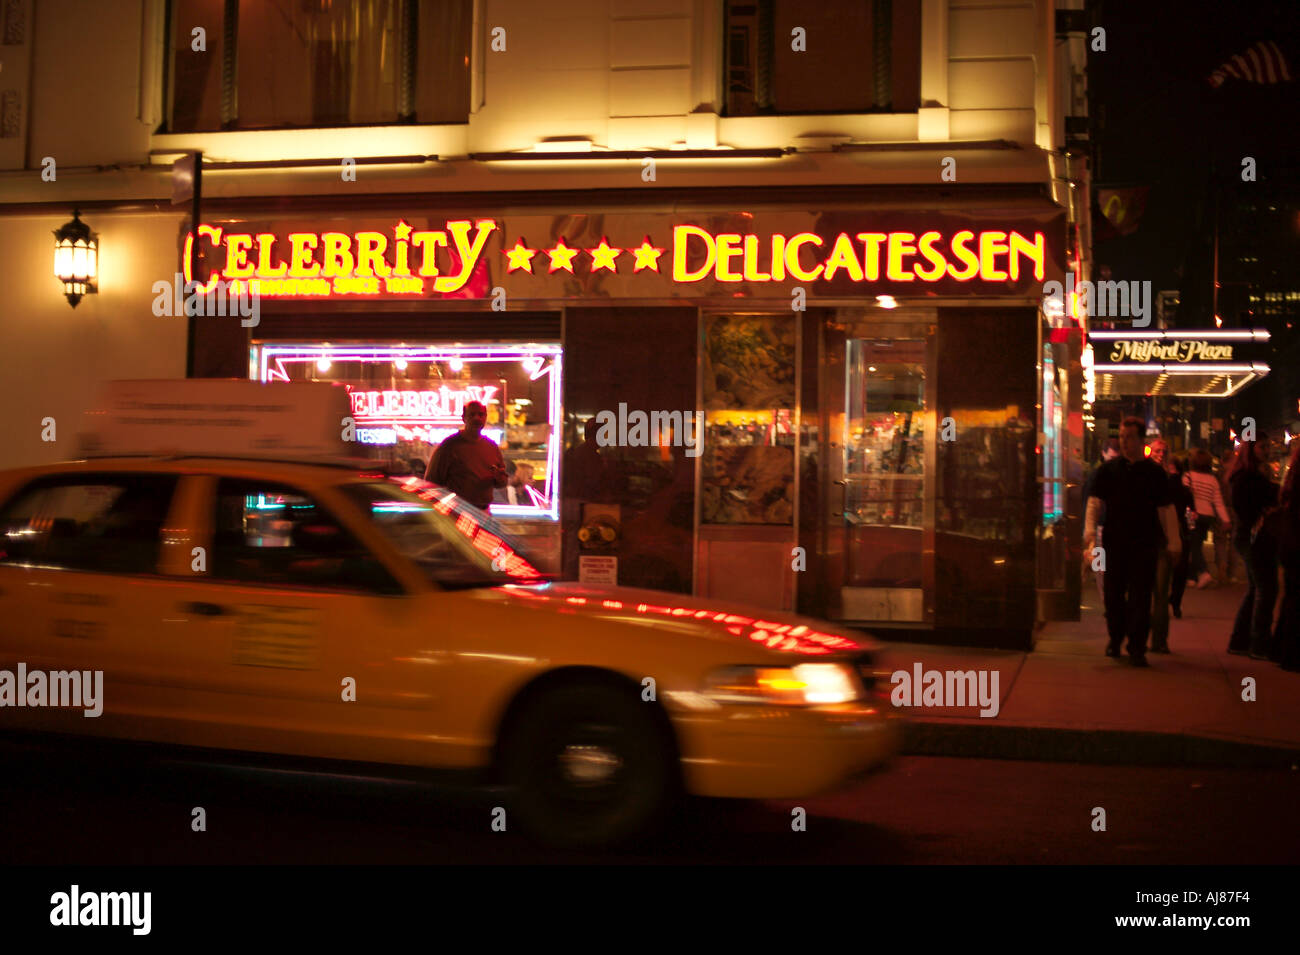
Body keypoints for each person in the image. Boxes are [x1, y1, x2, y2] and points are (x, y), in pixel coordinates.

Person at [1084, 418, 1182, 666]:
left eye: (1129, 437)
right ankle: (1116, 639)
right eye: (1123, 437)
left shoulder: (1154, 473)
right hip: (1114, 541)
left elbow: (1166, 509)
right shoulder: (1109, 470)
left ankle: (1136, 646)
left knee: (1141, 596)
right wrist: (1089, 535)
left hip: (1144, 542)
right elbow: (1094, 503)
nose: (1125, 442)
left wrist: (1174, 542)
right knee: (1113, 595)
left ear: (1141, 441)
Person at [1226, 432, 1279, 657]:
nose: (1267, 451)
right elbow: (1263, 499)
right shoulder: (1248, 478)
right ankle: (1258, 643)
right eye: (1262, 447)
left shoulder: (1246, 476)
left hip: (1248, 535)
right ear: (1251, 449)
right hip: (1252, 536)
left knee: (1256, 588)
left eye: (1268, 447)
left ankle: (1240, 641)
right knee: (1267, 588)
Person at [424, 400, 508, 511]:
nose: (477, 418)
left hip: (484, 511)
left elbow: (501, 482)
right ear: (463, 418)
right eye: (472, 414)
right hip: (458, 511)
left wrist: (499, 478)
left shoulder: (491, 446)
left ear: (485, 417)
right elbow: (431, 481)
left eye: (480, 415)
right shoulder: (449, 446)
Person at [1185, 448, 1231, 588]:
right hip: (1208, 516)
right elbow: (1218, 502)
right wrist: (1225, 519)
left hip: (1191, 515)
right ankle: (1192, 577)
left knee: (1192, 546)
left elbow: (1183, 495)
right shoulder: (1212, 480)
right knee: (1197, 544)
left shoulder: (1188, 476)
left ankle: (1204, 573)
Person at [1082, 438, 1121, 605]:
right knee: (1101, 568)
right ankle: (1108, 602)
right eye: (1111, 458)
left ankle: (1111, 601)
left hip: (1115, 528)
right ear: (1103, 454)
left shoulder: (1100, 474)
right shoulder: (1097, 476)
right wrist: (1089, 531)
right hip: (1100, 528)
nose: (1113, 462)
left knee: (1107, 567)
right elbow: (1090, 503)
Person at [1274, 440, 1300, 671]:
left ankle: (1282, 650)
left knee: (1291, 597)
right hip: (1296, 544)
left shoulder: (1292, 483)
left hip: (1290, 543)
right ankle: (1291, 655)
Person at [1166, 454, 1196, 622]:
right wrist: (1190, 528)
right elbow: (1191, 513)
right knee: (1180, 570)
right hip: (1181, 532)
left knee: (1165, 569)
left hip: (1165, 532)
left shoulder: (1163, 487)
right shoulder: (1185, 491)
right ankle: (1176, 601)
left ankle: (1164, 598)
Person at [1216, 448, 1242, 583]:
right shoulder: (1237, 475)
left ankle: (1221, 566)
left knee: (1220, 540)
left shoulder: (1218, 475)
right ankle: (1232, 573)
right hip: (1235, 510)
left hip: (1221, 509)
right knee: (1234, 542)